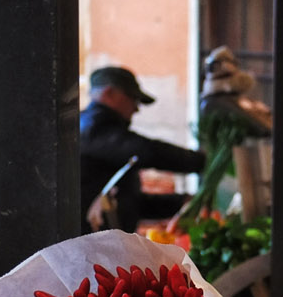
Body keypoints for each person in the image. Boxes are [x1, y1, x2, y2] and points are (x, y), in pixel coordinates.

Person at [79, 65, 206, 233]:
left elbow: (131, 203)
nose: (136, 109)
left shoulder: (97, 132)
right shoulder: (92, 128)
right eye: (133, 99)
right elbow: (147, 152)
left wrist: (182, 201)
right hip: (92, 247)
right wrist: (200, 161)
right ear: (109, 93)